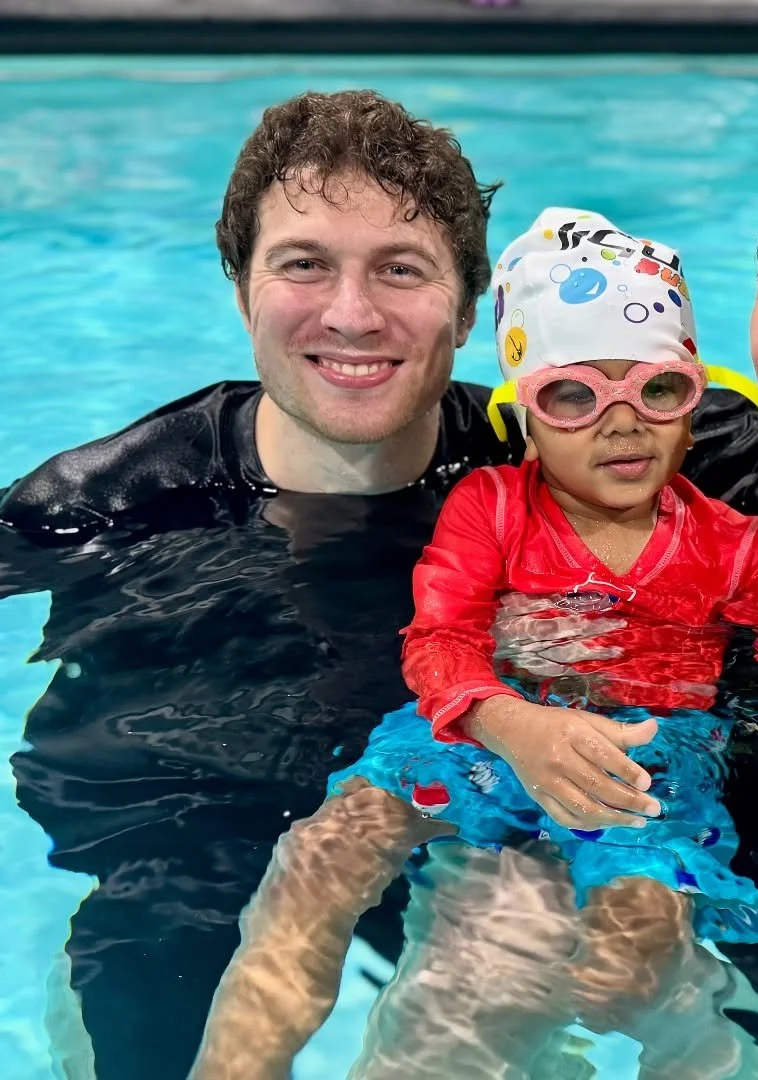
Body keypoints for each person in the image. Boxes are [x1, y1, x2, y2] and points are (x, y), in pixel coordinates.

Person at [0, 85, 758, 1078]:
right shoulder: (591, 463)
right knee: (427, 929)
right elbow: (447, 628)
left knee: (595, 968)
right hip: (476, 793)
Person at [190, 207, 758, 1078]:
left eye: (658, 389)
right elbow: (439, 642)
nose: (623, 422)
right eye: (574, 395)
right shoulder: (491, 508)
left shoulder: (735, 547)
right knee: (323, 852)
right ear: (524, 414)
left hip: (647, 769)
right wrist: (510, 724)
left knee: (630, 965)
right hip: (478, 734)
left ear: (694, 402)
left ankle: (708, 1053)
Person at [0, 90, 518, 1078]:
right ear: (242, 290)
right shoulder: (108, 501)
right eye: (304, 264)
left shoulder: (539, 477)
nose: (352, 314)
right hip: (174, 849)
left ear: (467, 307)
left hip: (438, 828)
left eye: (400, 268)